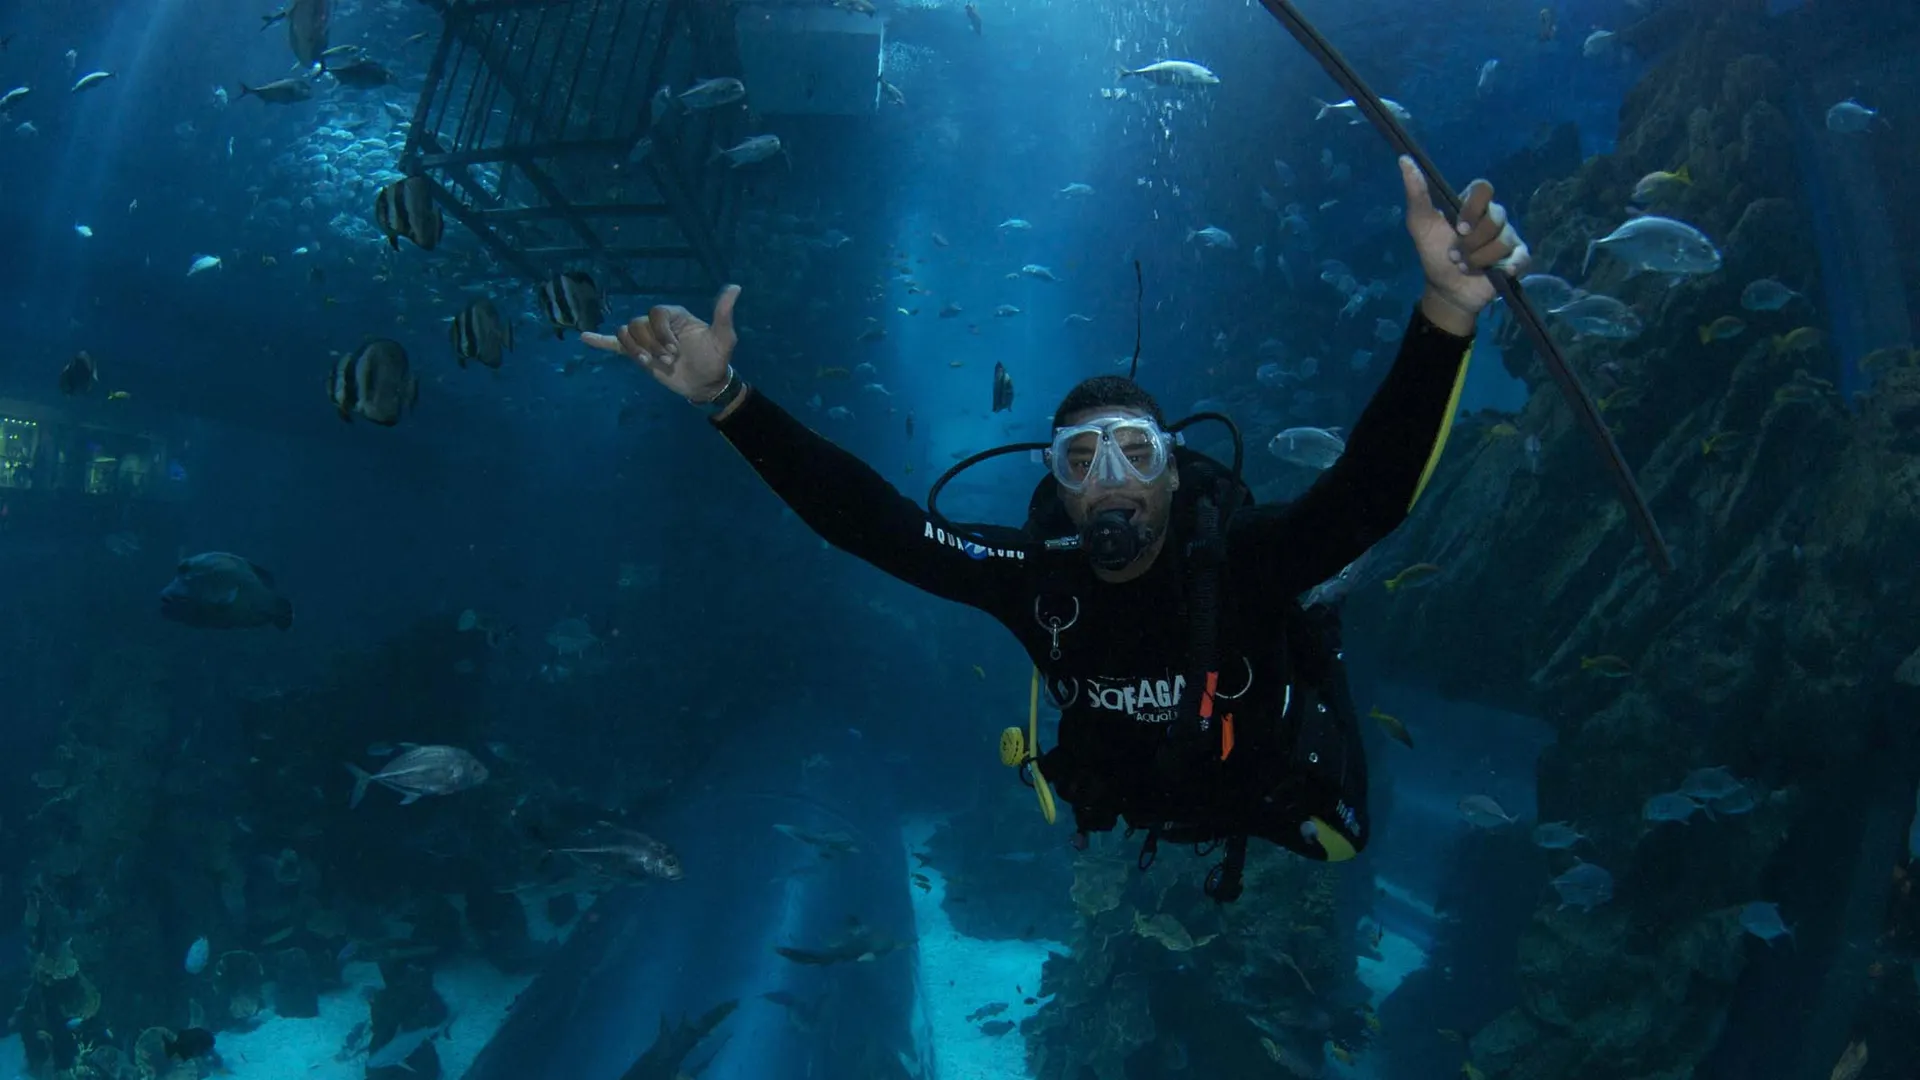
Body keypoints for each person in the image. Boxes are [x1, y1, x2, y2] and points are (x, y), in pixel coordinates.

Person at [585, 157, 1530, 900]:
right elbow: (872, 524)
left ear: (1171, 467)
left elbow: (1369, 495)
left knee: (1338, 844)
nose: (1111, 481)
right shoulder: (1033, 576)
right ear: (1056, 485)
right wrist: (725, 397)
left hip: (1269, 790)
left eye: (1133, 453)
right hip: (1138, 799)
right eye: (1082, 460)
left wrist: (1448, 308)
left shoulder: (1238, 558)